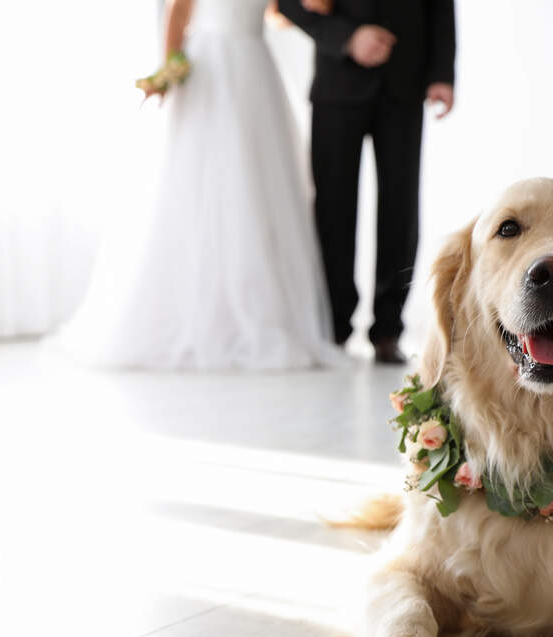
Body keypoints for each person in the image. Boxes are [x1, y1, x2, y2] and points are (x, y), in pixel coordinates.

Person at [48, 0, 341, 370]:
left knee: (258, 190)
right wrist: (169, 68)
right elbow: (179, 11)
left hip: (255, 69)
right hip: (210, 68)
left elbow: (284, 12)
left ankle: (260, 310)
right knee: (205, 186)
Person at [276, 0, 456, 364]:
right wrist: (348, 38)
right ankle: (335, 327)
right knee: (332, 209)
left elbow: (440, 5)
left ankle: (388, 329)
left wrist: (442, 73)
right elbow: (288, 4)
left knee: (400, 209)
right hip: (337, 82)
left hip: (405, 82)